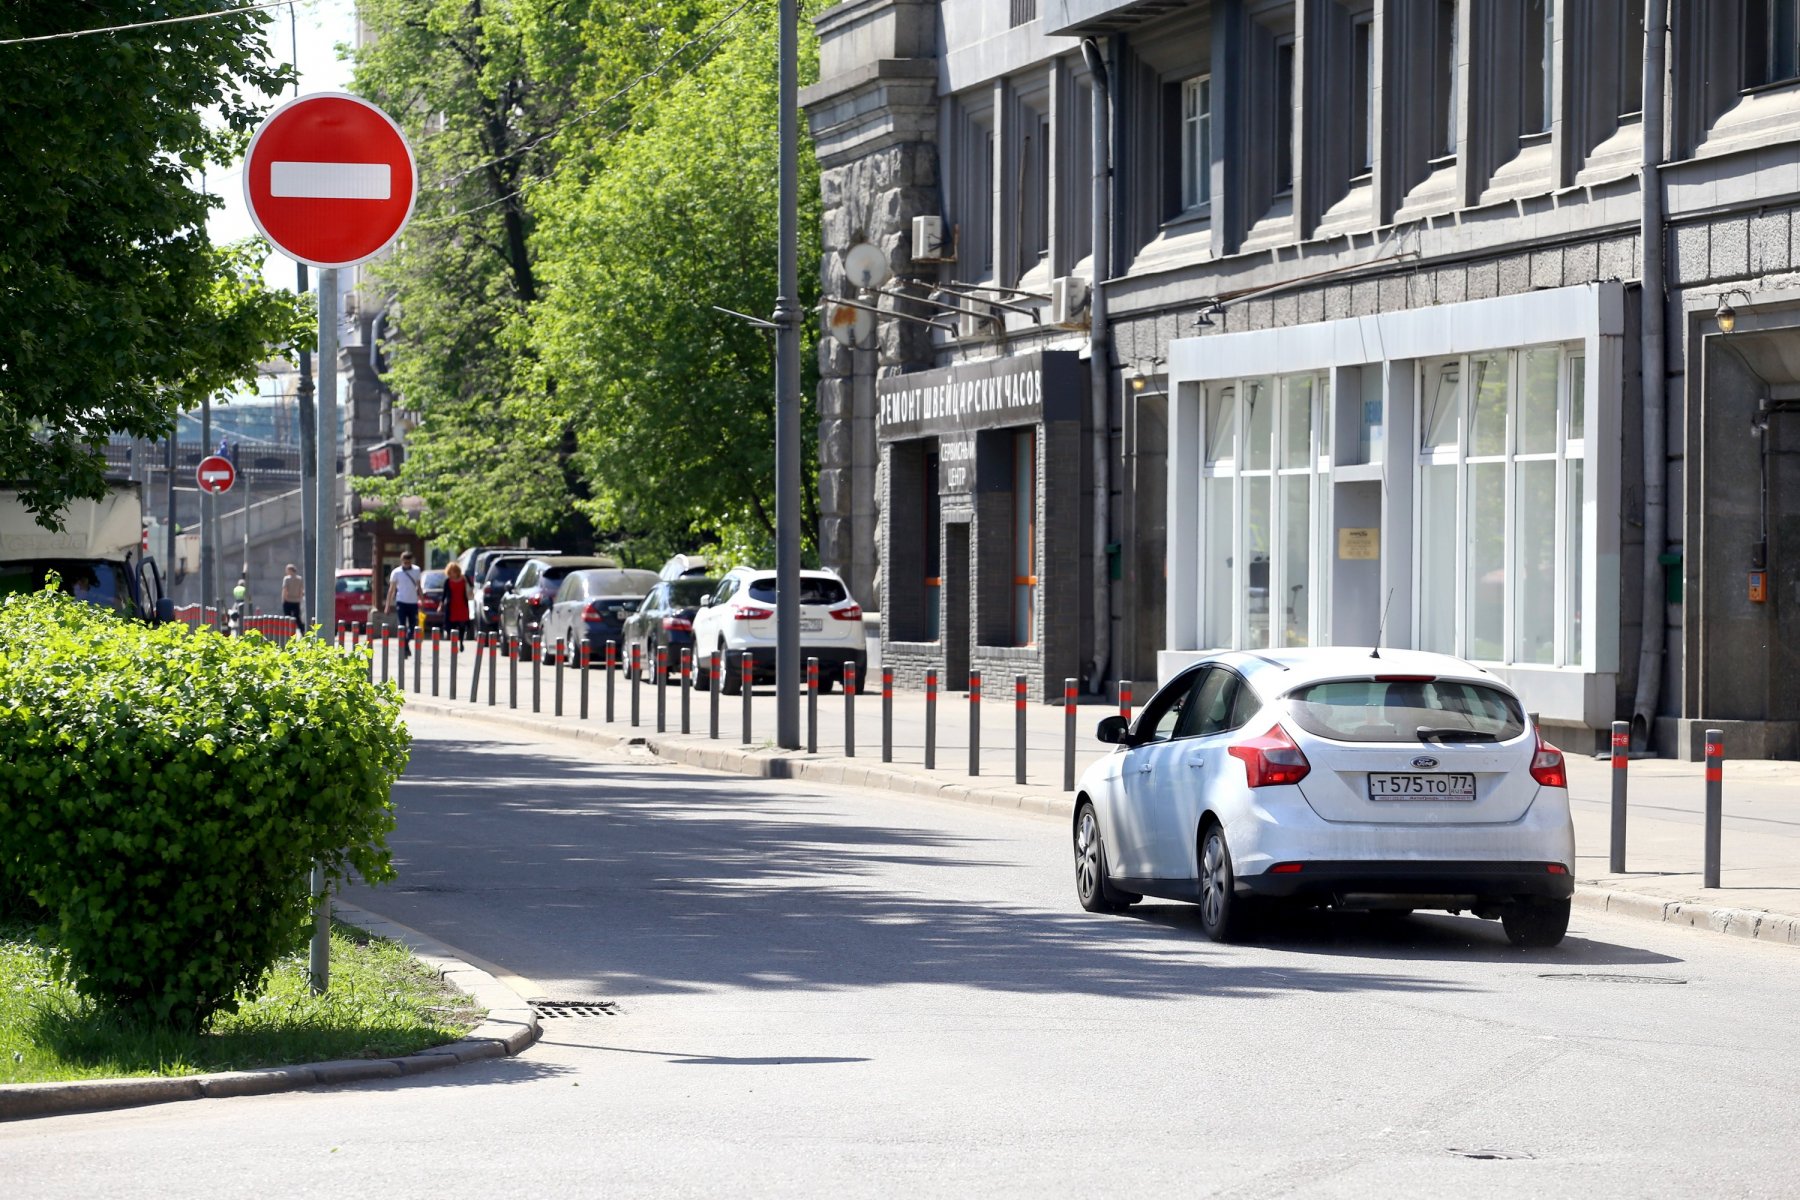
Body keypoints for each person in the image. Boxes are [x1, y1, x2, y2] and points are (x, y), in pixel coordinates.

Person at [385, 551, 423, 658]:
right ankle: (404, 649)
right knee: (402, 626)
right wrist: (387, 605)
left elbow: (419, 587)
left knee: (413, 626)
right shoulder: (396, 572)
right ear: (401, 561)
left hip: (413, 602)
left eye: (408, 562)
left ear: (411, 561)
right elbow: (391, 590)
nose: (406, 564)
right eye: (405, 562)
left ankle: (405, 644)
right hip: (401, 602)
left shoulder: (416, 570)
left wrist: (422, 600)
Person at [443, 560, 472, 642]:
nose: (452, 575)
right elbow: (444, 594)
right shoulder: (447, 581)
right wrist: (441, 604)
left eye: (453, 572)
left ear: (457, 572)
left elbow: (471, 587)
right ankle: (454, 641)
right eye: (450, 573)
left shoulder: (464, 579)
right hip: (452, 606)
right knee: (451, 625)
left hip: (462, 605)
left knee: (462, 625)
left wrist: (466, 579)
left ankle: (461, 641)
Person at [280, 564, 305, 631]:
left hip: (288, 600)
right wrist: (299, 599)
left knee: (287, 618)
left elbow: (285, 589)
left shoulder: (286, 579)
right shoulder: (299, 579)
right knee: (297, 618)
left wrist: (284, 599)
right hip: (296, 601)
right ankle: (303, 631)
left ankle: (288, 631)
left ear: (290, 570)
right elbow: (301, 590)